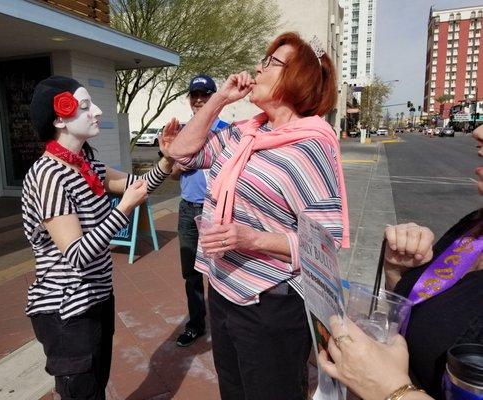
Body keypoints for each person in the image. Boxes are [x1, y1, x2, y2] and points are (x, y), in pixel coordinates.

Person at [165, 32, 350, 399]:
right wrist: (219, 99)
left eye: (270, 63)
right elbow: (182, 153)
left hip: (270, 302)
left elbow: (324, 243)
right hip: (222, 287)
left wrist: (251, 239)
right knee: (233, 390)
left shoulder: (310, 146)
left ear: (296, 77)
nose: (258, 68)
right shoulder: (244, 132)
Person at [22, 76, 175, 399]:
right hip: (67, 312)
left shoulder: (86, 164)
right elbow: (76, 254)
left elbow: (138, 185)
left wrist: (167, 158)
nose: (99, 112)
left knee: (96, 387)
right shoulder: (48, 175)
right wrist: (123, 210)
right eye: (86, 106)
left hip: (97, 299)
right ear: (59, 118)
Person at [318, 127, 483, 400]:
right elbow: (419, 319)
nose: (477, 131)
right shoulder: (474, 226)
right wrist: (399, 272)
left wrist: (388, 390)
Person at [170, 74, 228, 347]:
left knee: (222, 269)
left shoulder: (229, 131)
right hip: (187, 209)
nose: (199, 100)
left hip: (217, 210)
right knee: (191, 273)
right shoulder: (182, 132)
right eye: (195, 95)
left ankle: (226, 326)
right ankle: (196, 324)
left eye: (205, 95)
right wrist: (180, 166)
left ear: (215, 98)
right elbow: (170, 173)